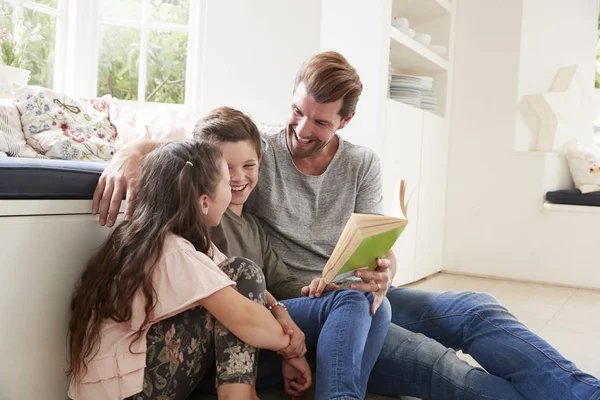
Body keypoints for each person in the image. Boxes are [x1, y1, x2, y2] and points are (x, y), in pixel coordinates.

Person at [92, 52, 600, 400]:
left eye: (319, 123)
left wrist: (384, 269)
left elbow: (376, 242)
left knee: (474, 307)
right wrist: (132, 150)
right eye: (296, 112)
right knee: (447, 369)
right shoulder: (256, 152)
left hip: (346, 291)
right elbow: (194, 150)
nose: (300, 130)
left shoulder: (360, 164)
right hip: (306, 303)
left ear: (344, 122)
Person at [67, 140, 311, 400]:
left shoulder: (155, 238)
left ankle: (243, 394)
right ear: (204, 202)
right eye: (227, 184)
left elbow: (241, 282)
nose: (231, 191)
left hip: (124, 390)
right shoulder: (173, 252)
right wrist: (293, 348)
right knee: (242, 278)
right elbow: (249, 321)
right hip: (132, 394)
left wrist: (280, 311)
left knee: (240, 272)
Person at [193, 106, 392, 400]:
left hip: (262, 341)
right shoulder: (207, 220)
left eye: (248, 166)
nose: (237, 178)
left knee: (377, 305)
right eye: (225, 169)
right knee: (357, 300)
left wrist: (314, 289)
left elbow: (282, 282)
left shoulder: (254, 227)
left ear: (260, 161)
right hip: (224, 353)